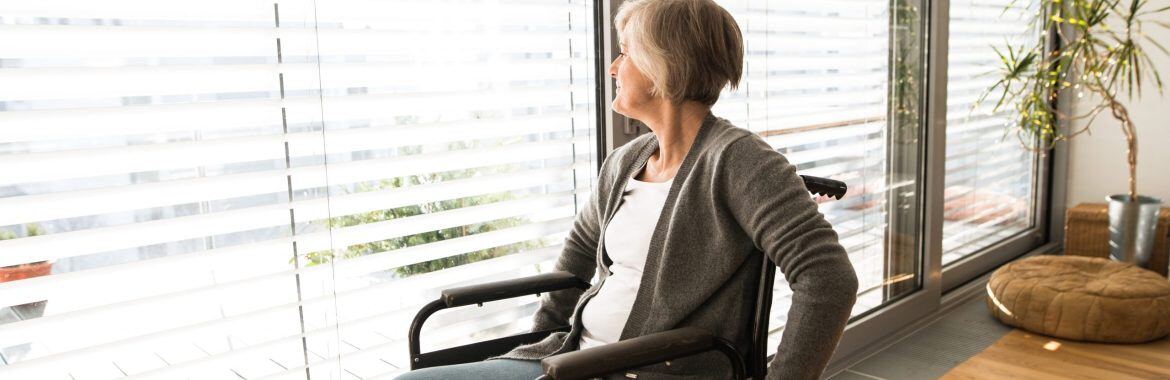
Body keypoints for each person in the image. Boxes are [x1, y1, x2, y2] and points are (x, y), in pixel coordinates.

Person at [396, 0, 858, 378]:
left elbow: (829, 279)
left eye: (626, 53)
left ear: (664, 66)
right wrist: (532, 348)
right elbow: (578, 254)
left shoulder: (740, 162)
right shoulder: (627, 160)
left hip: (649, 371)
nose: (615, 66)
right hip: (571, 359)